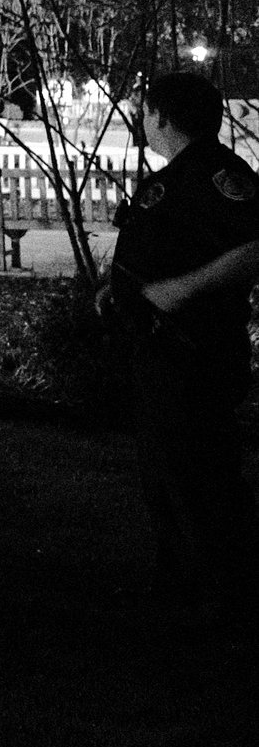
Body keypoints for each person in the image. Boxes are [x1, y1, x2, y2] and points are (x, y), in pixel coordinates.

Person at [99, 71, 259, 624]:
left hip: (195, 352)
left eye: (145, 111)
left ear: (162, 117)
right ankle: (179, 583)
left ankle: (227, 594)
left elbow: (254, 246)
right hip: (156, 351)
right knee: (164, 473)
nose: (142, 121)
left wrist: (180, 290)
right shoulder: (177, 175)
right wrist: (118, 288)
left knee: (201, 474)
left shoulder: (219, 175)